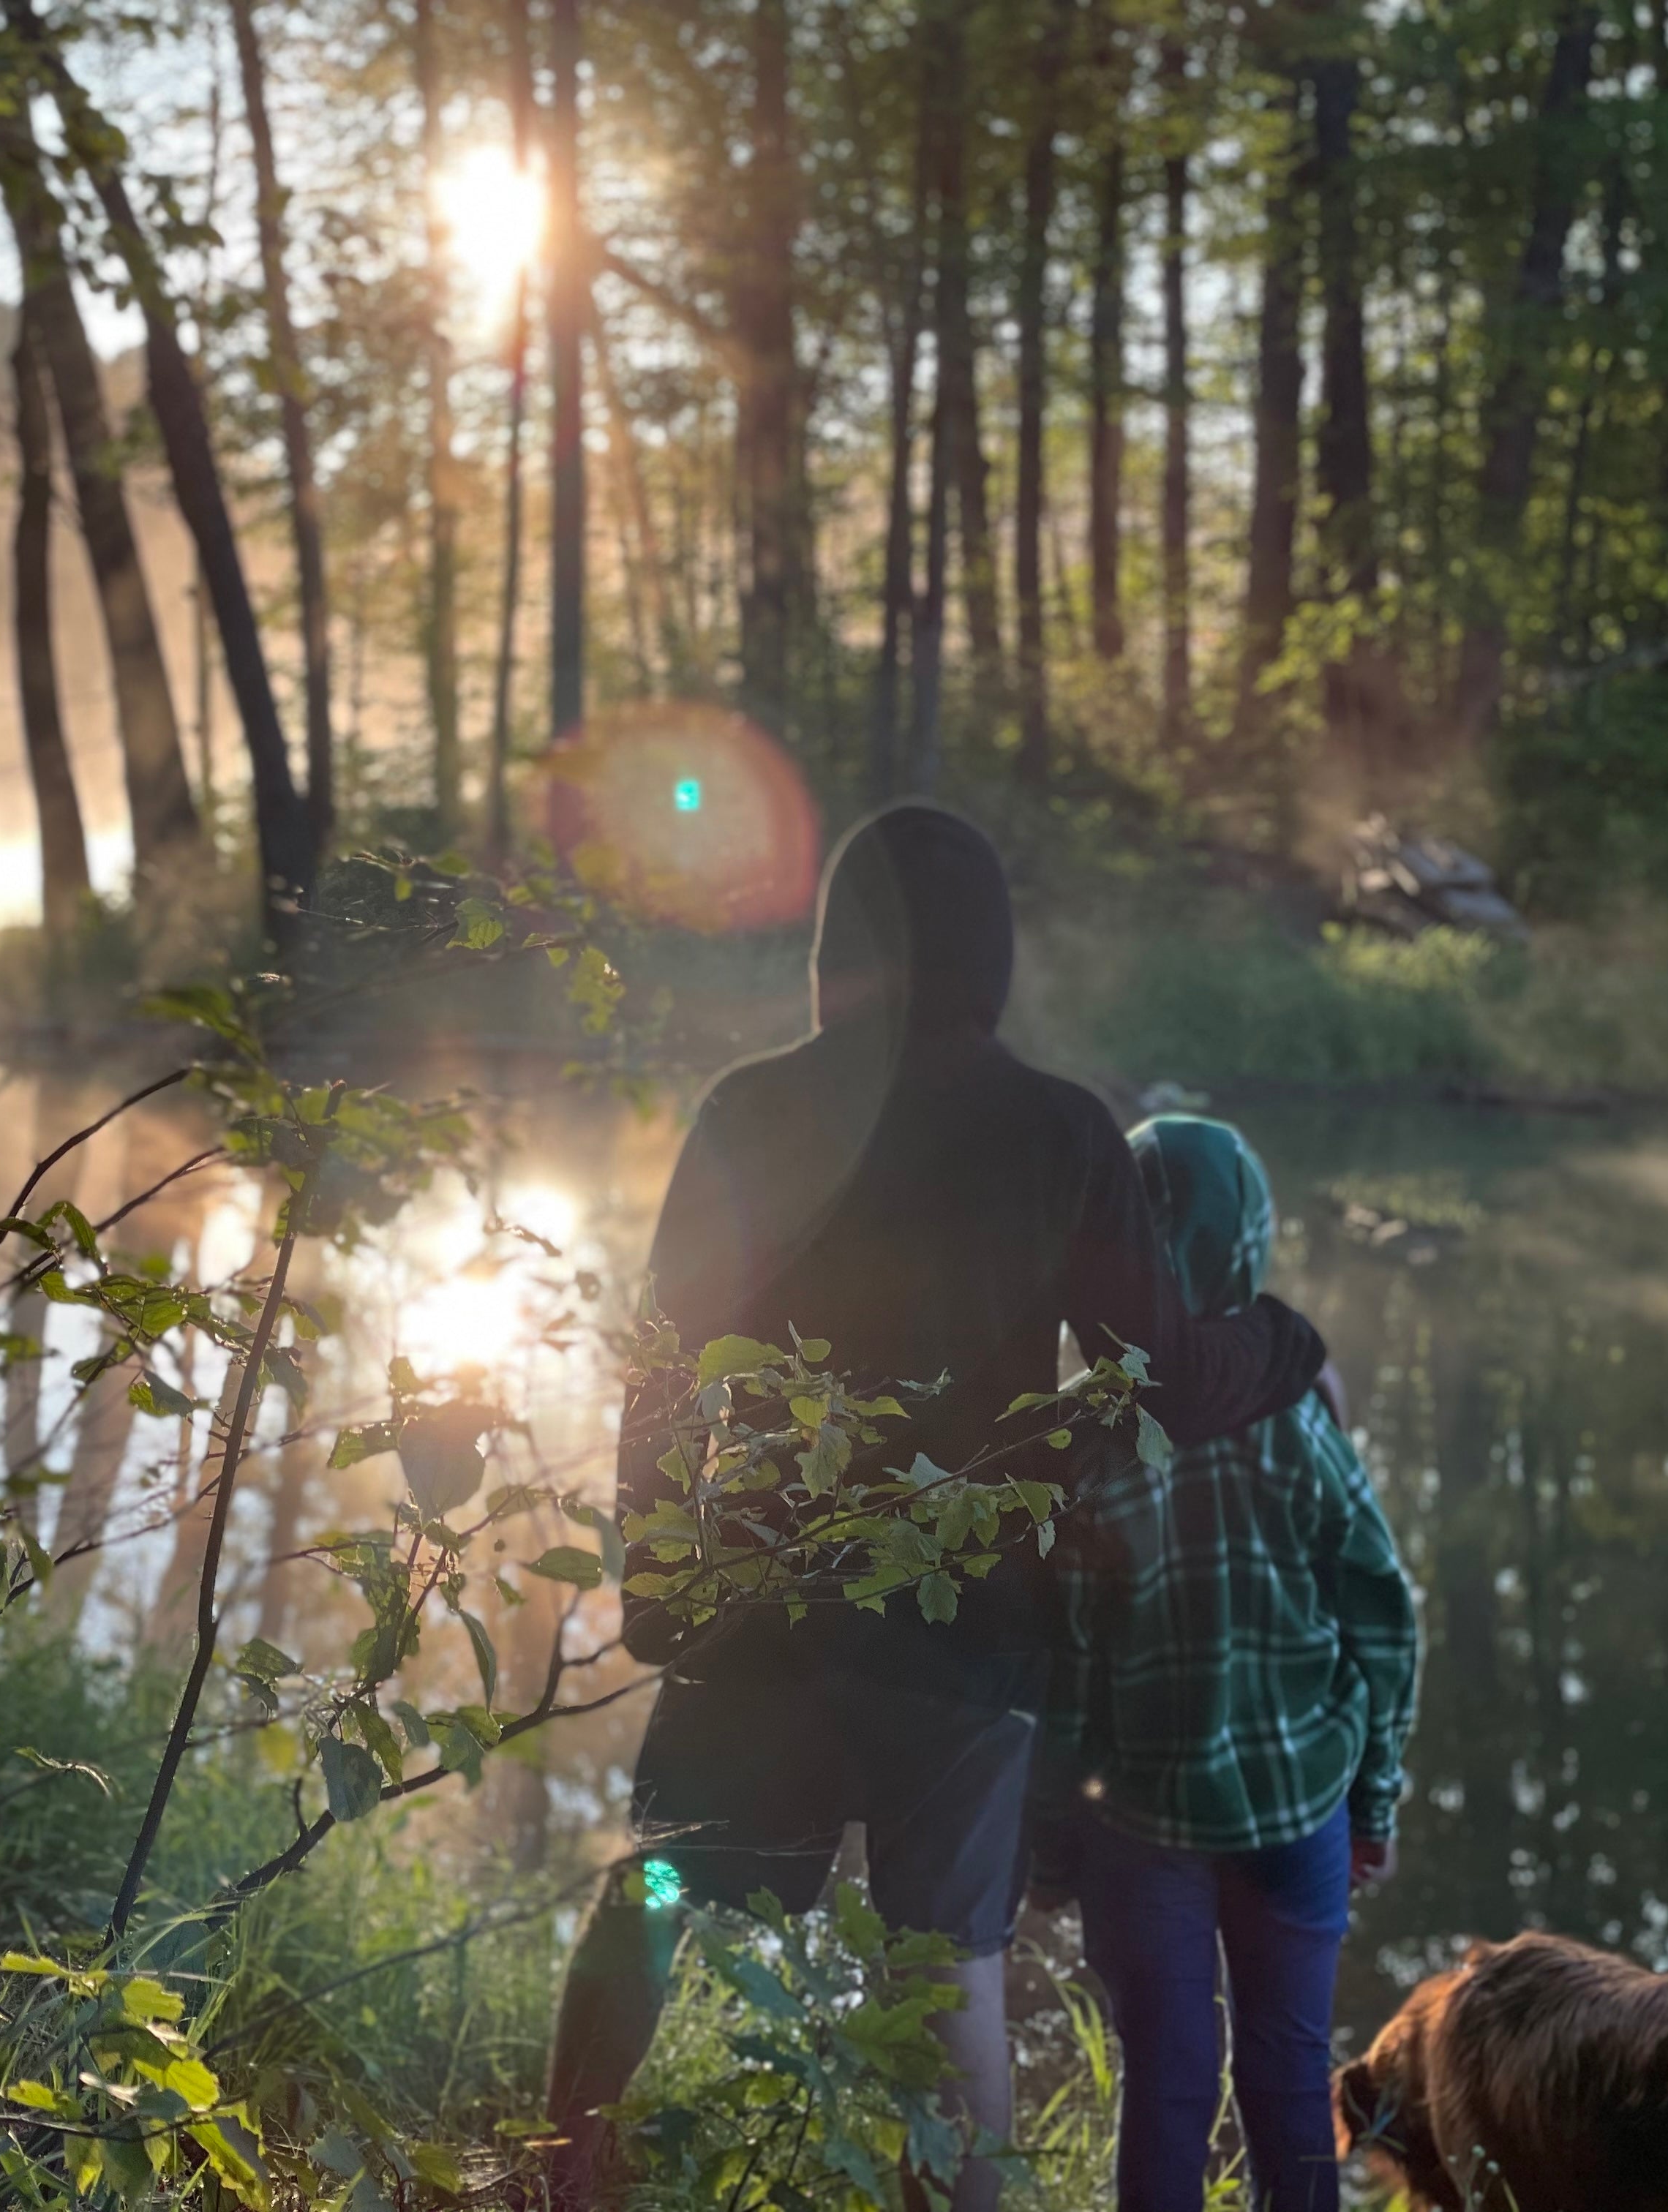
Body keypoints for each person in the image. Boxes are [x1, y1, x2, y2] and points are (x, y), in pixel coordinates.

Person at [541, 805, 1332, 2211]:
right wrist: (1283, 1340)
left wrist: (660, 1572)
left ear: (835, 945)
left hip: (757, 1607)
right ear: (996, 953)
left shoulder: (753, 1110)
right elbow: (1155, 1386)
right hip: (968, 1626)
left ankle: (567, 2172)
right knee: (948, 1959)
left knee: (661, 1885)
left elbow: (659, 1367)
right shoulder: (1060, 1131)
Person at [1029, 1113, 1419, 2212]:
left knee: (1164, 2084)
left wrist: (1051, 1849)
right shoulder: (1304, 1410)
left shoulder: (1081, 1436)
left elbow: (1066, 1677)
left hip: (1142, 1823)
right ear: (1251, 1236)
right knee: (1291, 2071)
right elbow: (1383, 1616)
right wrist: (1374, 1799)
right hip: (1301, 1810)